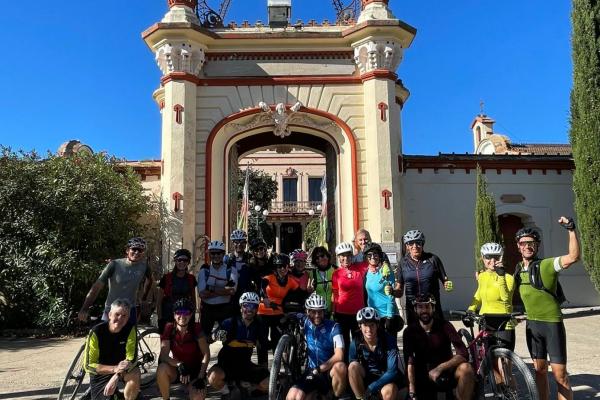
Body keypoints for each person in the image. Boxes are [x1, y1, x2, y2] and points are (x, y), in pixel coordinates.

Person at [514, 217, 579, 400]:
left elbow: (573, 257)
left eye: (531, 243)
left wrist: (571, 229)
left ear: (537, 245)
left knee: (560, 375)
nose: (527, 246)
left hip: (551, 325)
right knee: (540, 372)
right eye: (523, 243)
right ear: (518, 246)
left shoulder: (547, 265)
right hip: (532, 326)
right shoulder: (518, 269)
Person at [403, 294, 474, 400]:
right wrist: (412, 391)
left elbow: (463, 354)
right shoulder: (409, 331)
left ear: (433, 308)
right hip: (422, 377)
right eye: (420, 307)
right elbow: (409, 363)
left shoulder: (445, 326)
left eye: (427, 307)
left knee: (466, 369)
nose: (424, 311)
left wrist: (439, 368)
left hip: (446, 373)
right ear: (415, 309)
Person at [286, 293, 348, 400]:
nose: (317, 315)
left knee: (341, 367)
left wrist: (319, 369)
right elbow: (294, 315)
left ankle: (335, 396)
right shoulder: (305, 321)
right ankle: (320, 394)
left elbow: (339, 355)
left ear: (324, 311)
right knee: (293, 396)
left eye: (320, 311)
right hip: (311, 371)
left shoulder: (334, 327)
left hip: (328, 371)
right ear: (308, 311)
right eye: (313, 311)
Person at [79, 237, 152, 325]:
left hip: (130, 310)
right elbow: (97, 287)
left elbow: (150, 280)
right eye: (134, 249)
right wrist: (84, 309)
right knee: (106, 337)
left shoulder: (144, 267)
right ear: (127, 250)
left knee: (130, 338)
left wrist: (144, 298)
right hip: (111, 309)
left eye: (140, 250)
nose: (137, 252)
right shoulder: (114, 265)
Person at [208, 292, 269, 397]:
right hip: (226, 366)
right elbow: (211, 337)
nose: (249, 309)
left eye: (253, 306)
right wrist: (216, 335)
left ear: (257, 308)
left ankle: (245, 387)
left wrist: (264, 368)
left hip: (245, 366)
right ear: (241, 307)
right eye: (246, 305)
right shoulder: (230, 322)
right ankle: (227, 392)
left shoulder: (259, 325)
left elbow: (263, 348)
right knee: (213, 377)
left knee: (269, 382)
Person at [84, 299, 140, 400]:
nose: (120, 318)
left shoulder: (130, 329)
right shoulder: (96, 331)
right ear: (109, 315)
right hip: (102, 371)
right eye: (117, 314)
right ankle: (117, 395)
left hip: (122, 370)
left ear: (128, 318)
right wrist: (114, 369)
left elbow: (132, 357)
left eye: (124, 316)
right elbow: (89, 365)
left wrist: (117, 374)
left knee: (135, 373)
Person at [157, 298, 210, 400]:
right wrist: (179, 364)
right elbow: (163, 356)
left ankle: (192, 385)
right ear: (174, 314)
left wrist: (200, 377)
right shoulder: (169, 328)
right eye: (179, 312)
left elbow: (206, 354)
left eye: (186, 312)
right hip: (179, 370)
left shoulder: (196, 328)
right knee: (162, 368)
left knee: (197, 396)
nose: (182, 316)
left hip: (196, 371)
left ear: (191, 314)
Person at [467, 242, 516, 350]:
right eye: (488, 257)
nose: (492, 261)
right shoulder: (482, 276)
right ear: (483, 258)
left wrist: (501, 276)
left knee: (505, 360)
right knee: (488, 357)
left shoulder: (509, 278)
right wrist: (471, 309)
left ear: (501, 258)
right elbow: (479, 293)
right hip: (485, 320)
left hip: (504, 322)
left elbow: (505, 298)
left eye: (496, 257)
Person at [348, 307, 404, 400]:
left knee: (389, 392)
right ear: (359, 326)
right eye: (365, 325)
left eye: (372, 325)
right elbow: (352, 372)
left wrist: (372, 387)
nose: (369, 329)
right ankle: (361, 398)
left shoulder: (389, 340)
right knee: (352, 366)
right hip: (368, 376)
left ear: (377, 325)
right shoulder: (355, 342)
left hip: (386, 378)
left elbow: (392, 371)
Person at [398, 230, 453, 324]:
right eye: (411, 243)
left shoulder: (433, 259)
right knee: (415, 336)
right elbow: (399, 290)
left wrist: (448, 285)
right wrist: (391, 291)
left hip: (432, 307)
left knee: (437, 335)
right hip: (413, 308)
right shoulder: (403, 263)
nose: (415, 246)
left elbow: (445, 281)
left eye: (418, 243)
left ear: (422, 244)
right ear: (407, 246)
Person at [257, 253, 300, 365]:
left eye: (284, 266)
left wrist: (307, 295)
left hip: (278, 312)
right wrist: (264, 297)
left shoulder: (290, 281)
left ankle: (276, 369)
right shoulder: (269, 278)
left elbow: (298, 293)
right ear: (275, 268)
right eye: (279, 266)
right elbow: (261, 287)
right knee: (262, 341)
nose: (282, 269)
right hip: (263, 312)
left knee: (277, 340)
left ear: (288, 267)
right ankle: (263, 368)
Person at [332, 241, 368, 353]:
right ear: (338, 257)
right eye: (342, 256)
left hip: (358, 313)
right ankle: (347, 366)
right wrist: (333, 312)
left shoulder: (360, 268)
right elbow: (335, 293)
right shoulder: (336, 273)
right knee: (345, 343)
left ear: (352, 256)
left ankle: (359, 366)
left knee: (359, 341)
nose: (345, 258)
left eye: (348, 255)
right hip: (342, 313)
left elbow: (374, 262)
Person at [197, 240, 238, 337]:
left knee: (227, 338)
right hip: (208, 309)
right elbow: (202, 294)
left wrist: (210, 288)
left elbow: (232, 291)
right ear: (209, 254)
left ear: (223, 254)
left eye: (218, 253)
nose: (215, 256)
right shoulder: (204, 270)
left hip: (225, 308)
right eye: (213, 253)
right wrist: (224, 290)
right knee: (204, 338)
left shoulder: (231, 270)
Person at [363, 242, 404, 337]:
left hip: (387, 315)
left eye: (375, 254)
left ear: (380, 255)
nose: (372, 257)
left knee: (390, 346)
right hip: (373, 316)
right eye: (369, 255)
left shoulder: (386, 272)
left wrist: (389, 317)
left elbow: (391, 296)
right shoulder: (367, 273)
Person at [157, 248, 197, 333]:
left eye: (185, 260)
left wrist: (192, 316)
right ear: (175, 261)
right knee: (167, 342)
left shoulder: (191, 278)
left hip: (185, 314)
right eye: (179, 260)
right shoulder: (166, 278)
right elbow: (159, 301)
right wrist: (160, 319)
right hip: (168, 314)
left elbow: (193, 299)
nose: (182, 262)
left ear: (188, 262)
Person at [224, 229, 252, 308]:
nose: (239, 244)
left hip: (246, 297)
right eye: (236, 242)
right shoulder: (227, 259)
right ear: (232, 244)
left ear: (246, 243)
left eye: (242, 242)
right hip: (230, 298)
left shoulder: (250, 258)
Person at [308, 246, 335, 316]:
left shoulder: (335, 270)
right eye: (317, 258)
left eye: (322, 256)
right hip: (319, 312)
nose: (320, 259)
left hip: (334, 310)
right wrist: (310, 291)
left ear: (327, 256)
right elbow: (309, 294)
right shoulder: (312, 274)